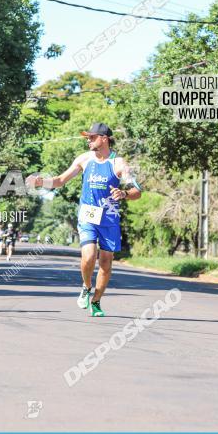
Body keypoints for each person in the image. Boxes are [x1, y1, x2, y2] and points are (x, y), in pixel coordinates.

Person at [26, 122, 141, 317]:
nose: (88, 140)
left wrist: (123, 193)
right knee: (88, 256)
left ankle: (96, 301)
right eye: (87, 137)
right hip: (88, 214)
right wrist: (40, 182)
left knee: (105, 263)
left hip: (109, 218)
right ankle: (87, 287)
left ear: (104, 139)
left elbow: (137, 192)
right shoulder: (84, 159)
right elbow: (60, 181)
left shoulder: (119, 164)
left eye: (91, 137)